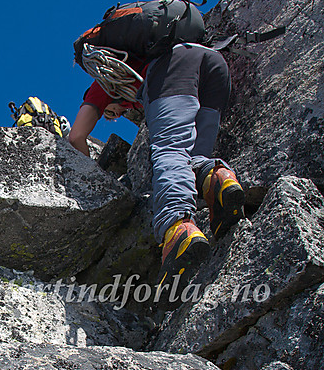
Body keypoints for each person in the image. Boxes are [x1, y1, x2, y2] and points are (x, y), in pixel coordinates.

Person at [69, 43, 244, 296]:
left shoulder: (102, 84)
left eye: (110, 112)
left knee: (168, 149)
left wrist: (88, 173)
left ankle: (177, 229)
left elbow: (76, 137)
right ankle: (221, 181)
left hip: (173, 70)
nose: (115, 113)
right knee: (193, 158)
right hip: (213, 65)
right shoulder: (139, 64)